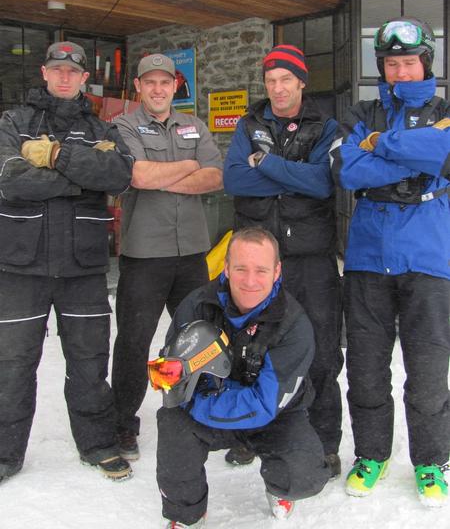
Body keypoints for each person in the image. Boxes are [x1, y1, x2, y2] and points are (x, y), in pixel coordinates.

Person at [0, 41, 134, 483]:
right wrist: (79, 181)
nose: (63, 77)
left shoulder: (102, 129)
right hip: (21, 267)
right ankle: (5, 454)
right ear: (43, 72)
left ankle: (98, 445)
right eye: (56, 69)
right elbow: (10, 181)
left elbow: (117, 175)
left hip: (83, 268)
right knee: (13, 364)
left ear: (82, 79)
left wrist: (57, 158)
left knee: (90, 361)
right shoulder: (13, 123)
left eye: (71, 72)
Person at [330, 17, 450, 507]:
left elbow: (445, 151)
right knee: (366, 366)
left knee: (427, 368)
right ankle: (372, 453)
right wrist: (416, 158)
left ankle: (431, 460)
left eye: (409, 61)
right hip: (367, 258)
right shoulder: (360, 110)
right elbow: (347, 169)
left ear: (425, 63)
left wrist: (380, 143)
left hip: (428, 256)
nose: (400, 71)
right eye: (391, 63)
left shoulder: (445, 110)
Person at [152, 227, 330, 527]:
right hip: (209, 402)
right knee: (173, 424)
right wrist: (171, 380)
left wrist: (197, 403)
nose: (250, 281)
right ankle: (186, 514)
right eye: (240, 268)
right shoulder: (196, 306)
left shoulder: (294, 324)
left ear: (277, 272)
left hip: (274, 415)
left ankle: (280, 487)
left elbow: (263, 405)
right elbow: (168, 375)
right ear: (226, 268)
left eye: (261, 270)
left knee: (305, 475)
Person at [223, 44, 343, 476]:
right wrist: (289, 175)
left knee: (323, 353)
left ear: (301, 82)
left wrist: (267, 163)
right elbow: (234, 178)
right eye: (271, 80)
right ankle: (251, 434)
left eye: (285, 80)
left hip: (310, 259)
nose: (277, 88)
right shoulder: (249, 122)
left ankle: (325, 443)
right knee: (253, 346)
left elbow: (323, 182)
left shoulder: (325, 125)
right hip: (258, 261)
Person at [111, 53, 223, 460]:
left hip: (192, 252)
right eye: (150, 82)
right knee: (133, 342)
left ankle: (203, 411)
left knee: (201, 337)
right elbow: (138, 175)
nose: (158, 89)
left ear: (175, 86)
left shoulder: (195, 125)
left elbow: (215, 176)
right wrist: (190, 164)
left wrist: (167, 175)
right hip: (145, 254)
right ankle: (123, 423)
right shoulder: (123, 125)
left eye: (165, 82)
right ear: (138, 87)